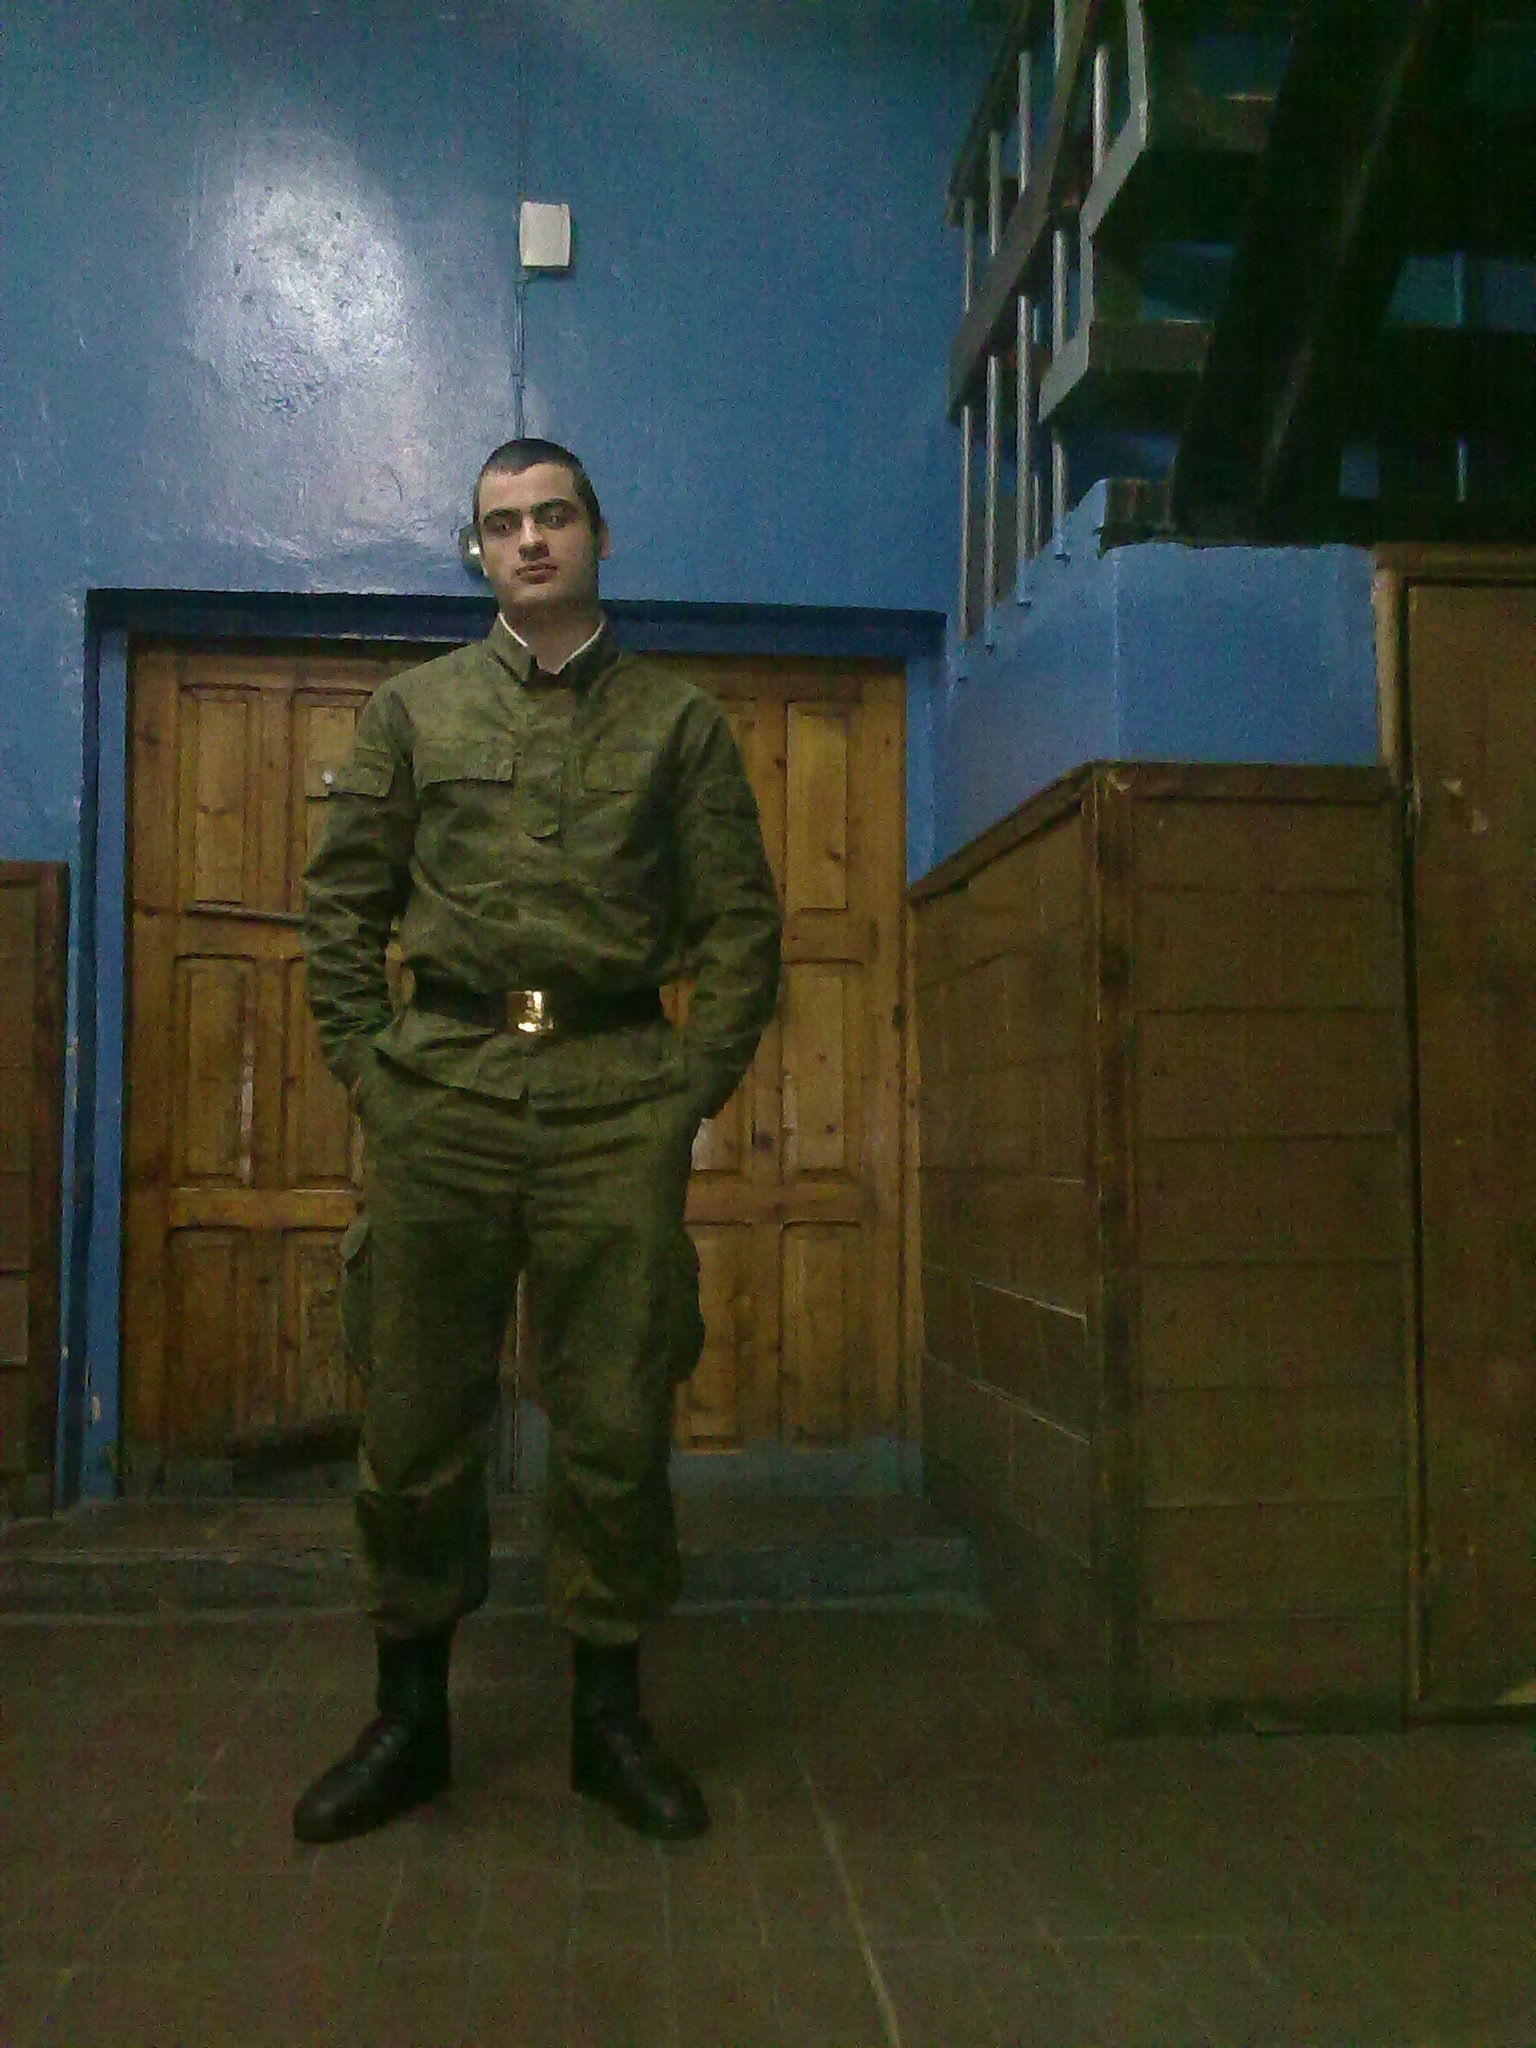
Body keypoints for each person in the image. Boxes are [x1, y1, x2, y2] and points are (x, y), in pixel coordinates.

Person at [294, 437, 781, 1844]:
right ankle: (409, 1722)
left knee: (616, 1421)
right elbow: (341, 907)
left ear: (597, 535)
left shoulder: (681, 725)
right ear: (478, 552)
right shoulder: (412, 711)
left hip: (615, 1098)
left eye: (552, 515)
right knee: (412, 1420)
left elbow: (741, 926)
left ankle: (609, 1726)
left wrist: (685, 1091)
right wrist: (371, 1072)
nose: (528, 540)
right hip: (437, 1097)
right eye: (501, 523)